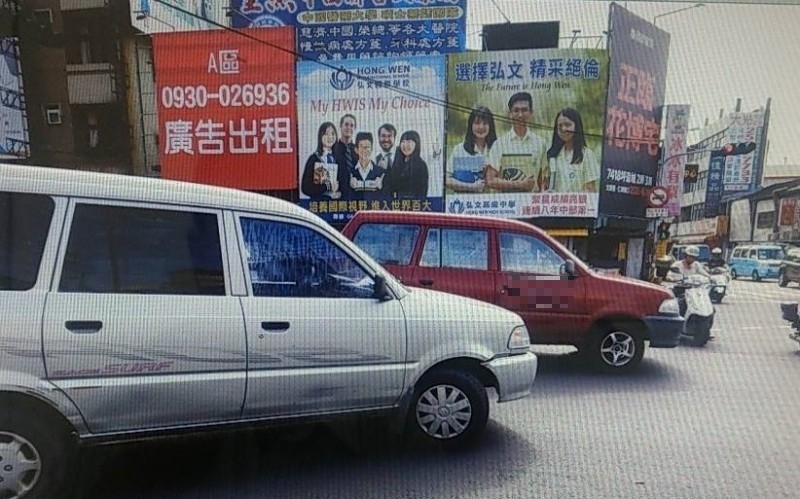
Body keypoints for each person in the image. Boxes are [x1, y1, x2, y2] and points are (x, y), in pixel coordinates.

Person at [485, 92, 548, 192]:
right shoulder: (499, 144)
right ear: (510, 113)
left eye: (524, 110)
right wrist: (520, 184)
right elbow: (490, 180)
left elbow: (543, 179)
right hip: (507, 204)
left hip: (531, 204)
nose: (520, 115)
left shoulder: (541, 143)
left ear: (531, 112)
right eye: (516, 110)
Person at [547, 108, 600, 193]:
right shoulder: (552, 154)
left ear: (577, 126)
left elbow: (591, 190)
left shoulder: (587, 155)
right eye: (560, 126)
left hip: (577, 205)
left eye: (568, 125)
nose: (563, 129)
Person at [446, 106, 497, 193]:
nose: (481, 127)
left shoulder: (497, 148)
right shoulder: (460, 149)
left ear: (490, 126)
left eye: (485, 123)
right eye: (477, 123)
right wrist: (471, 187)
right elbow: (446, 179)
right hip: (465, 203)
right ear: (470, 125)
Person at [301, 122, 348, 201]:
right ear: (320, 136)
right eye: (326, 134)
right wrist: (327, 186)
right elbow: (305, 188)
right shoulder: (314, 159)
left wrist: (341, 193)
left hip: (336, 206)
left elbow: (345, 183)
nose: (330, 137)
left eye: (333, 134)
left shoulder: (340, 159)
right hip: (318, 206)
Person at [384, 130, 429, 199]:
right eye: (403, 142)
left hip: (413, 206)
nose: (405, 145)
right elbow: (391, 186)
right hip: (396, 206)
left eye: (409, 142)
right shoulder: (397, 163)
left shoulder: (421, 165)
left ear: (416, 144)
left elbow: (422, 192)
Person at [349, 132, 386, 201]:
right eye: (361, 147)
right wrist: (350, 188)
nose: (364, 150)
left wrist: (381, 188)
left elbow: (387, 200)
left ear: (372, 149)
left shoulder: (381, 173)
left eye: (367, 147)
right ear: (356, 150)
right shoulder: (349, 173)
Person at [333, 114, 357, 196]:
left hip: (356, 196)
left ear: (354, 129)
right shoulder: (333, 148)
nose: (349, 128)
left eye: (352, 125)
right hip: (337, 196)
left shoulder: (359, 150)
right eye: (346, 124)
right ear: (340, 126)